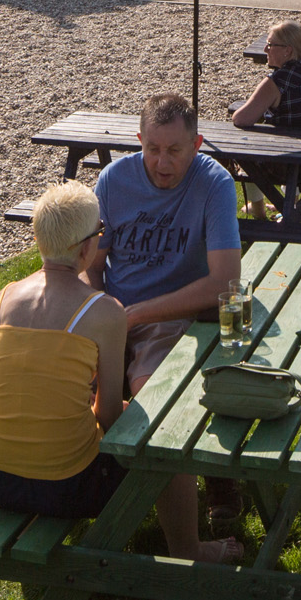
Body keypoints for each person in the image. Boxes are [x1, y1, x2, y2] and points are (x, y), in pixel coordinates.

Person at [85, 93, 243, 564]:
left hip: (172, 317)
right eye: (153, 148)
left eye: (175, 150)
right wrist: (99, 306)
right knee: (72, 386)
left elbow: (225, 281)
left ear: (196, 145)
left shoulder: (214, 182)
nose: (162, 162)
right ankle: (95, 486)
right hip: (112, 310)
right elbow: (89, 264)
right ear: (139, 141)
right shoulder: (113, 179)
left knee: (153, 400)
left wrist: (136, 315)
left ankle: (184, 525)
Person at [0, 182, 129, 518]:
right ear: (86, 247)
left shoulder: (5, 297)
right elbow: (108, 416)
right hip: (69, 486)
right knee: (138, 419)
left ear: (38, 240)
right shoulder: (106, 312)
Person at [233, 20, 301, 198]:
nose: (265, 50)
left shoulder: (278, 80)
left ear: (288, 50)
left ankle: (259, 209)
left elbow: (241, 119)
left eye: (270, 45)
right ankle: (289, 207)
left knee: (245, 152)